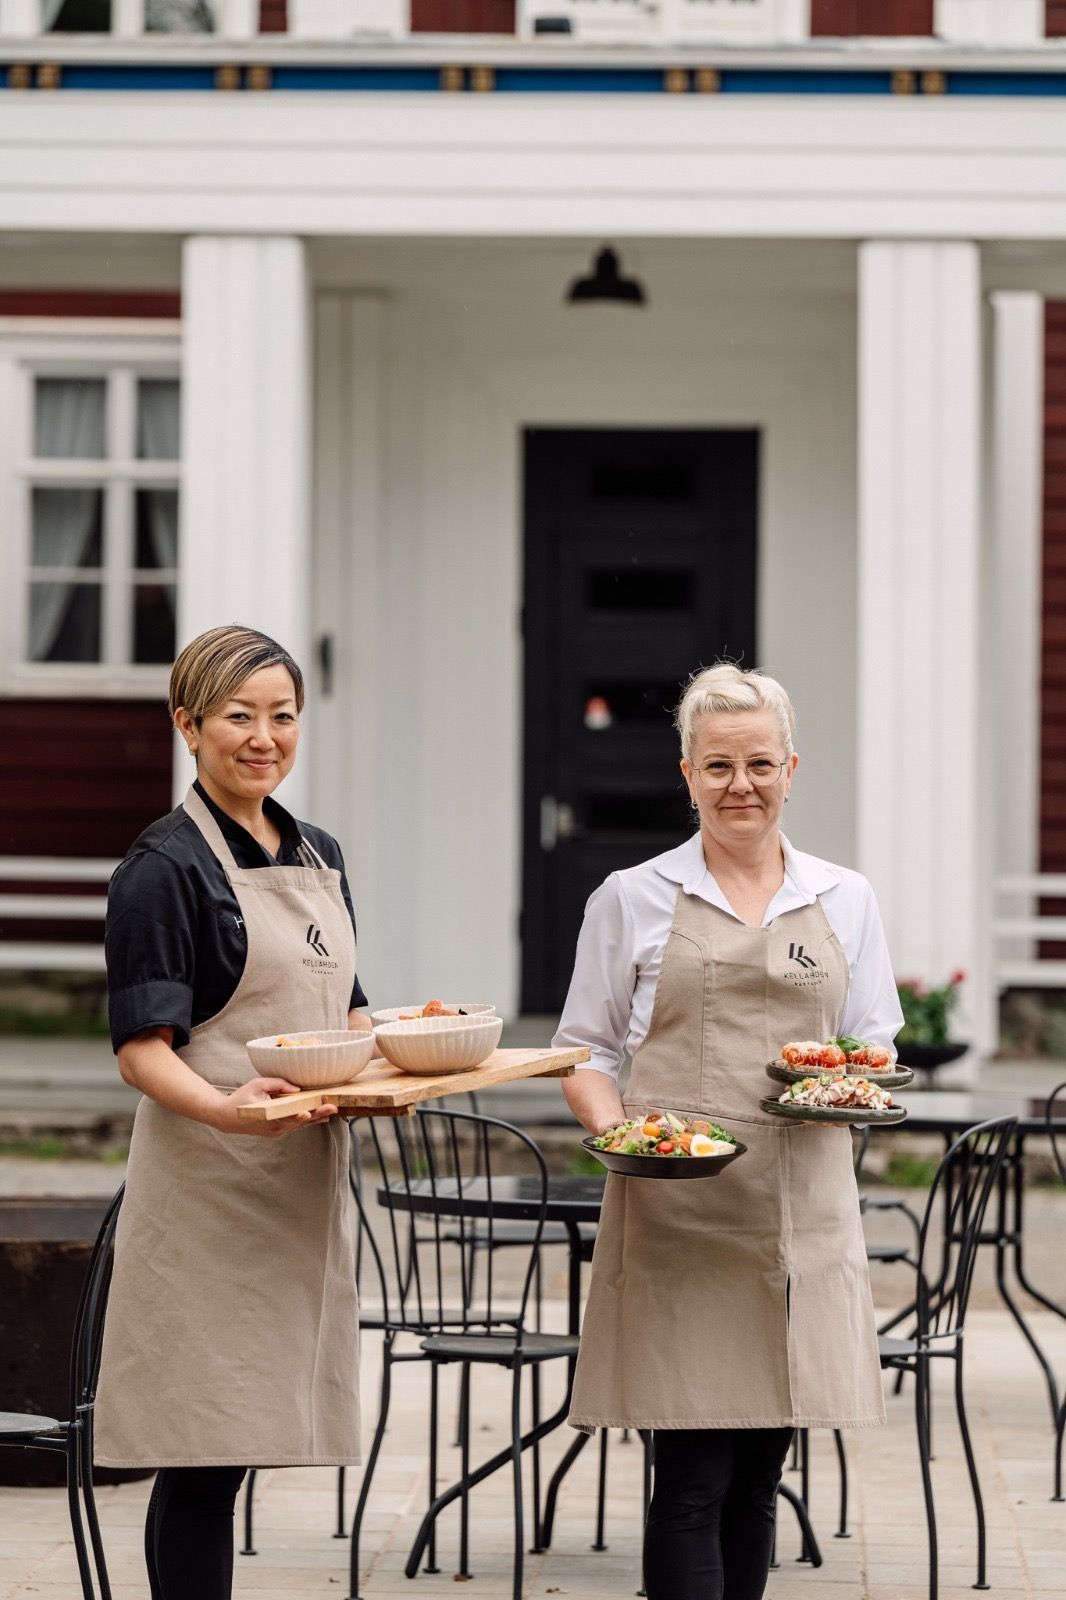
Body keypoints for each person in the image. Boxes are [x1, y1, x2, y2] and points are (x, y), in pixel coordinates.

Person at [554, 662, 902, 1600]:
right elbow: (583, 1051)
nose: (739, 785)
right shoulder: (632, 897)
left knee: (758, 1482)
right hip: (681, 1218)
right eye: (717, 767)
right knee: (693, 1481)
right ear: (686, 774)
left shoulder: (844, 897)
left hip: (802, 1218)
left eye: (757, 764)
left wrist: (844, 1088)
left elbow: (870, 1044)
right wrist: (621, 1131)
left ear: (792, 767)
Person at [94, 624, 371, 1600]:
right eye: (240, 716)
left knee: (243, 1442)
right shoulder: (161, 870)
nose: (264, 736)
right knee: (201, 1455)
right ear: (189, 724)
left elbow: (346, 1009)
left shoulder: (318, 851)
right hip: (211, 1192)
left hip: (294, 1190)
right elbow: (141, 1051)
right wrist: (226, 1110)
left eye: (282, 715)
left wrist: (394, 1055)